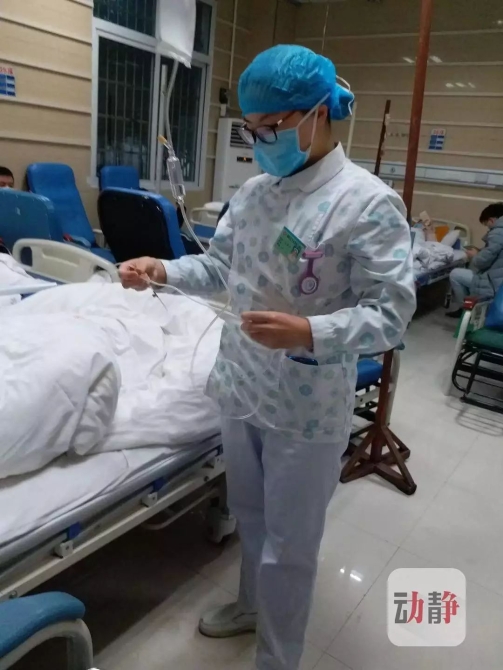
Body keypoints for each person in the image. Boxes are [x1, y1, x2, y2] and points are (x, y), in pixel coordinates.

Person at [119, 44, 416, 670]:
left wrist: (310, 331)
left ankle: (278, 658)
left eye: (270, 128)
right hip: (241, 384)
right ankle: (252, 605)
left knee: (291, 544)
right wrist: (163, 269)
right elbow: (221, 268)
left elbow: (391, 313)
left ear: (317, 114)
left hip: (306, 405)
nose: (259, 142)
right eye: (251, 130)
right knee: (249, 516)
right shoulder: (254, 194)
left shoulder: (366, 203)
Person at [447, 202, 503, 317]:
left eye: (487, 224)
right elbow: (494, 254)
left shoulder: (498, 233)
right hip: (497, 278)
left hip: (493, 283)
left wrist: (474, 256)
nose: (488, 228)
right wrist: (480, 251)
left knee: (455, 274)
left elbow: (481, 262)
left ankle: (465, 311)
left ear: (491, 220)